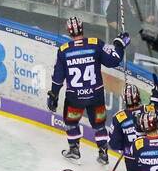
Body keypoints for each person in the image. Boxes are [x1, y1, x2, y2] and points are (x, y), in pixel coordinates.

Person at [48, 16, 130, 163]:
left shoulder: (64, 50)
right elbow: (114, 60)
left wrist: (53, 96)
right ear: (82, 28)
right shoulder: (95, 44)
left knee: (71, 123)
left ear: (68, 32)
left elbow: (58, 78)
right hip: (96, 95)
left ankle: (74, 150)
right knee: (99, 125)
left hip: (75, 98)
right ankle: (103, 154)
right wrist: (119, 44)